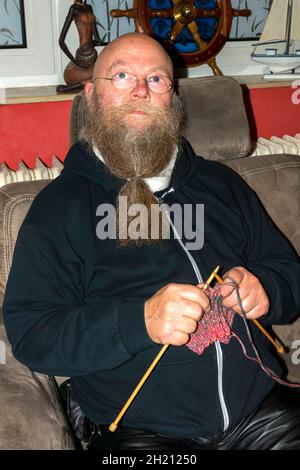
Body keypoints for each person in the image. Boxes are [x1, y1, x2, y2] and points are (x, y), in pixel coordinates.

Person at [3, 33, 300, 451]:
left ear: (173, 99)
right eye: (122, 76)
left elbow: (290, 274)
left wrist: (266, 288)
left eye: (156, 79)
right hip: (139, 428)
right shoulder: (60, 209)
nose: (141, 90)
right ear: (91, 95)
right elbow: (33, 334)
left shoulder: (223, 186)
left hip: (259, 409)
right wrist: (138, 322)